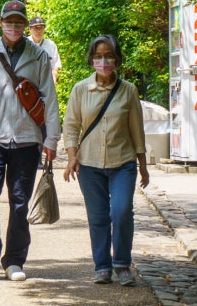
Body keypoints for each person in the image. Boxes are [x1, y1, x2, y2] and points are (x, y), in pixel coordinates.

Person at [0, 0, 60, 282]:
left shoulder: (39, 56)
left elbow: (49, 100)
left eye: (19, 22)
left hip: (27, 138)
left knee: (19, 200)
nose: (14, 27)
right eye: (9, 22)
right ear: (0, 23)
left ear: (26, 25)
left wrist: (51, 139)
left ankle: (15, 260)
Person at [62, 34, 149, 286]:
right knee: (98, 216)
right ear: (91, 60)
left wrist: (143, 165)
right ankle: (102, 266)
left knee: (121, 211)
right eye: (98, 56)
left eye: (108, 56)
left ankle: (122, 263)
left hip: (122, 162)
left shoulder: (128, 91)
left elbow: (137, 131)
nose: (103, 61)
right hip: (88, 164)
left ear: (117, 59)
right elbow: (71, 127)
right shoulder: (80, 89)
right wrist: (71, 158)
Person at [27, 15, 62, 85]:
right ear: (30, 29)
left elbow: (54, 67)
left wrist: (52, 84)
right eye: (36, 28)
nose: (39, 31)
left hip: (46, 83)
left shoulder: (51, 45)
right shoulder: (24, 44)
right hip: (28, 84)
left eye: (41, 28)